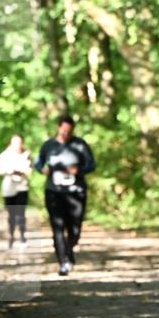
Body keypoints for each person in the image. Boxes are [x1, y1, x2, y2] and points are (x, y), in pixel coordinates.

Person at [34, 115, 96, 276]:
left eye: (69, 131)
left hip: (76, 192)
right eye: (63, 131)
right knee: (58, 227)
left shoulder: (80, 145)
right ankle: (63, 262)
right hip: (54, 192)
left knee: (75, 229)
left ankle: (69, 251)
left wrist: (78, 170)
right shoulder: (49, 145)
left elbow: (91, 164)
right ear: (58, 128)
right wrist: (43, 170)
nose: (66, 134)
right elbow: (38, 162)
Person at [0, 135, 32, 248]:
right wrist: (9, 170)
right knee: (11, 214)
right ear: (11, 143)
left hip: (22, 186)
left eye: (19, 142)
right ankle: (11, 236)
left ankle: (22, 237)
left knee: (21, 213)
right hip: (8, 188)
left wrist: (22, 169)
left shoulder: (26, 155)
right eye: (15, 143)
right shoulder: (4, 155)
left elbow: (30, 170)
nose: (17, 145)